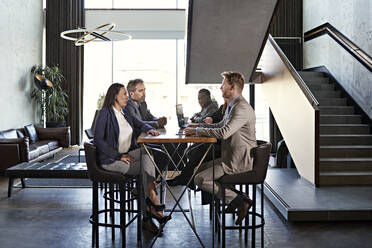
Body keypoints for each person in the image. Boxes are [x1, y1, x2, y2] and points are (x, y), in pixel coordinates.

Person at [94, 83, 170, 235]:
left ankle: (150, 204)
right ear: (115, 96)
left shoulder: (125, 113)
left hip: (126, 155)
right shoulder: (105, 113)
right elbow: (98, 140)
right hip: (111, 160)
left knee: (149, 153)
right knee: (145, 169)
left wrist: (149, 129)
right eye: (124, 94)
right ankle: (151, 209)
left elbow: (139, 123)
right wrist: (118, 156)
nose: (127, 97)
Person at [184, 71, 257, 225]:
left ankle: (238, 200)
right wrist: (198, 126)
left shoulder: (241, 108)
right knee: (197, 169)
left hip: (237, 161)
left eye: (223, 84)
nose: (220, 87)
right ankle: (238, 197)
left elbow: (224, 132)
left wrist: (197, 131)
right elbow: (220, 125)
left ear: (233, 86)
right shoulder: (234, 105)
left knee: (200, 178)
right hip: (229, 157)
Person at [167, 100, 227, 188]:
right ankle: (188, 178)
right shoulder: (223, 107)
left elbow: (221, 130)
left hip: (223, 146)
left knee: (200, 149)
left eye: (201, 98)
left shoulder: (232, 109)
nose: (199, 100)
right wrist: (200, 125)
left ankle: (186, 178)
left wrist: (197, 129)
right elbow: (214, 121)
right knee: (193, 150)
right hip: (217, 141)